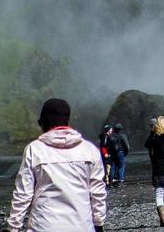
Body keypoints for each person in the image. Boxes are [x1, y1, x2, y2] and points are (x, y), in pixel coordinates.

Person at [6, 98, 107, 232]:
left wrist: (13, 227)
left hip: (43, 226)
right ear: (67, 120)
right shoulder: (90, 150)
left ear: (43, 122)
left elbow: (23, 194)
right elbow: (97, 192)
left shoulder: (34, 150)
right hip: (81, 226)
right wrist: (98, 223)